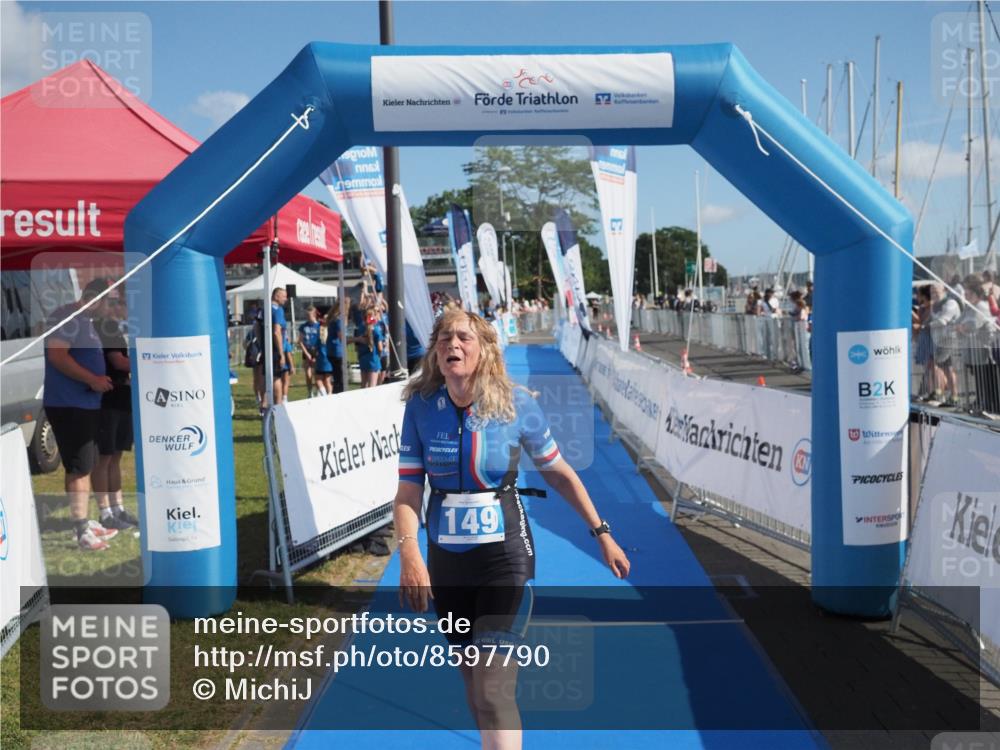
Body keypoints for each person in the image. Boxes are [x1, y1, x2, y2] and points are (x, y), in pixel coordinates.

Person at [393, 308, 630, 749]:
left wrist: (602, 532)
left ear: (483, 348)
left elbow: (559, 473)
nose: (453, 346)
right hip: (447, 564)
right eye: (444, 339)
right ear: (435, 352)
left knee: (491, 688)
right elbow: (408, 493)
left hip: (504, 558)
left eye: (463, 338)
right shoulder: (422, 408)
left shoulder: (516, 403)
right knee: (475, 691)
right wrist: (410, 553)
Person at [43, 278, 118, 550]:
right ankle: (81, 531)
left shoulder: (86, 321)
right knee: (79, 467)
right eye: (110, 302)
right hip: (69, 405)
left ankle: (85, 523)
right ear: (93, 297)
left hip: (85, 405)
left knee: (86, 464)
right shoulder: (67, 316)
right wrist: (92, 379)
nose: (112, 308)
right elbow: (58, 356)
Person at [91, 289, 139, 532]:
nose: (121, 305)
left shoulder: (113, 326)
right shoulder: (104, 326)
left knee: (116, 456)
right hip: (108, 398)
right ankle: (105, 512)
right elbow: (119, 361)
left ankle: (117, 508)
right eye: (116, 301)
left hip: (122, 395)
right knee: (105, 457)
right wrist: (149, 358)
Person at [353, 298, 384, 388]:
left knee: (363, 385)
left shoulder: (360, 328)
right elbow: (380, 348)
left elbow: (357, 346)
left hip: (363, 358)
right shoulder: (376, 330)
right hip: (373, 359)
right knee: (372, 386)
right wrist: (380, 355)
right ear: (373, 316)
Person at [298, 305, 322, 397]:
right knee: (308, 373)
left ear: (314, 315)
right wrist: (306, 353)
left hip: (317, 351)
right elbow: (300, 341)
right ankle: (310, 392)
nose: (308, 318)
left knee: (317, 372)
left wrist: (317, 353)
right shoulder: (303, 327)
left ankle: (319, 390)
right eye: (306, 316)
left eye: (310, 316)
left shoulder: (319, 325)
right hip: (306, 351)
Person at [326, 303, 346, 395]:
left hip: (331, 350)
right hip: (337, 351)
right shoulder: (338, 321)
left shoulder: (332, 319)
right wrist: (357, 339)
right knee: (339, 378)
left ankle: (336, 391)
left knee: (336, 375)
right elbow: (342, 338)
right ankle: (338, 394)